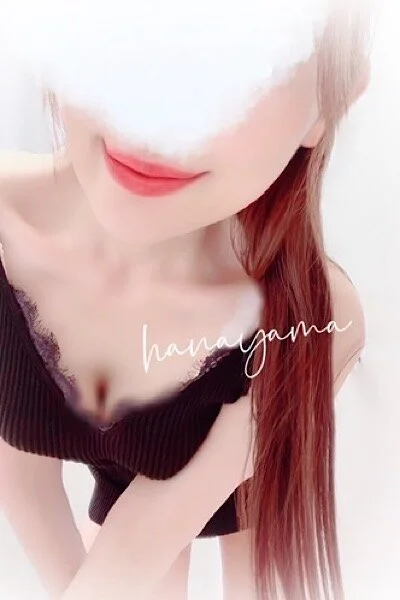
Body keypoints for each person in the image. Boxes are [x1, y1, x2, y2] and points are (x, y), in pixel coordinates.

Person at [0, 2, 370, 599]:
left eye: (241, 61)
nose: (155, 118)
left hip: (239, 493)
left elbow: (148, 535)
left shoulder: (313, 319)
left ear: (332, 100)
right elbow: (24, 485)